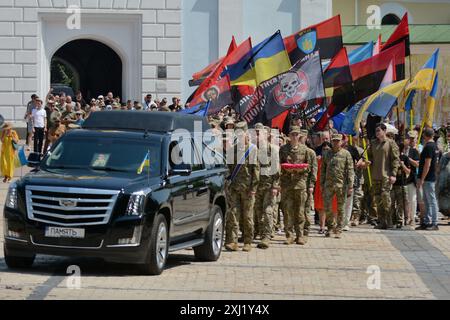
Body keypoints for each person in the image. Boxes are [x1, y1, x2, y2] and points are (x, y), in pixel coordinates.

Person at [225, 122, 259, 252]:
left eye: (241, 133)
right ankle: (232, 241)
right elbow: (228, 169)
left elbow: (255, 170)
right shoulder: (231, 150)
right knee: (233, 215)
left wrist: (253, 189)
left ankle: (247, 241)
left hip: (247, 189)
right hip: (234, 188)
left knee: (248, 216)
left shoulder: (252, 149)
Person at [279, 126, 315, 245]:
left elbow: (309, 168)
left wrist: (303, 173)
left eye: (296, 134)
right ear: (289, 136)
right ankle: (289, 235)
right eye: (292, 134)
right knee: (287, 211)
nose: (294, 137)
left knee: (300, 211)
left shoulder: (305, 150)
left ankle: (300, 235)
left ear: (299, 136)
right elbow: (279, 165)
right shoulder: (283, 149)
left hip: (300, 184)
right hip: (287, 184)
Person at [363, 123, 400, 229]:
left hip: (386, 176)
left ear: (384, 131)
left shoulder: (391, 143)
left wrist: (393, 174)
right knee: (378, 200)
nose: (377, 133)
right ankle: (382, 221)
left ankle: (390, 222)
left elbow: (395, 159)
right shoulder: (373, 143)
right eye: (376, 131)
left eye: (379, 130)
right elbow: (369, 156)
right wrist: (367, 162)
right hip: (375, 175)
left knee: (386, 198)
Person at [321, 134, 354, 238]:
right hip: (328, 184)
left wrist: (350, 185)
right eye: (334, 141)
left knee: (341, 208)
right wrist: (322, 183)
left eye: (338, 141)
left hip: (341, 185)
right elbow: (323, 170)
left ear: (341, 142)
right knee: (327, 206)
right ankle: (330, 227)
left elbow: (350, 170)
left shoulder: (346, 154)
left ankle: (339, 228)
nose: (336, 143)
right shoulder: (327, 154)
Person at [253, 124, 280, 249]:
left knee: (268, 211)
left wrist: (275, 186)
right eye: (256, 133)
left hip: (269, 185)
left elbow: (277, 169)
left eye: (260, 133)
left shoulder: (272, 149)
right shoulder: (252, 149)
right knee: (258, 211)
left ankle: (266, 236)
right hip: (256, 186)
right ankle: (259, 232)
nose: (257, 135)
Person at [416, 128, 440, 230]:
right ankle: (427, 221)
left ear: (425, 135)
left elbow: (427, 164)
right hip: (430, 177)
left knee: (431, 200)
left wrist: (422, 179)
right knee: (426, 200)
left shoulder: (429, 147)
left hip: (428, 178)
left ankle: (434, 222)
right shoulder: (434, 146)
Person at [390, 142, 411, 229]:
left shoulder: (405, 158)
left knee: (400, 204)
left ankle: (400, 220)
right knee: (391, 203)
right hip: (392, 184)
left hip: (402, 184)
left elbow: (408, 172)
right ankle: (392, 219)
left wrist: (402, 164)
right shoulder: (391, 158)